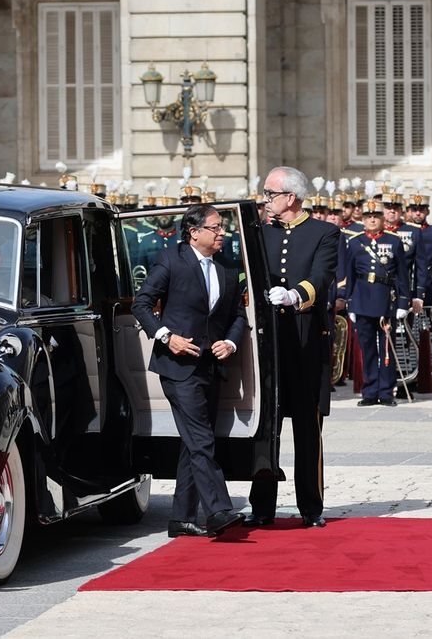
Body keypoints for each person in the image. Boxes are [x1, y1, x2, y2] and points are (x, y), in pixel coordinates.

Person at [132, 204, 248, 539]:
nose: (221, 233)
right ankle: (218, 510)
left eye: (222, 228)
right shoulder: (171, 259)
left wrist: (231, 343)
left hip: (210, 367)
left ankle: (181, 518)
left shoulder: (228, 267)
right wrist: (167, 337)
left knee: (192, 441)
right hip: (178, 367)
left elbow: (237, 316)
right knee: (201, 439)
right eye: (215, 227)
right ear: (194, 232)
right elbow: (141, 303)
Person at [246, 166, 340, 529]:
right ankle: (262, 506)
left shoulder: (324, 233)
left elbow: (321, 276)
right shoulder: (259, 233)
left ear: (291, 197)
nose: (265, 200)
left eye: (270, 194)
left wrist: (294, 294)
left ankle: (311, 507)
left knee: (306, 429)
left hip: (304, 343)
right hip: (270, 347)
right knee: (265, 429)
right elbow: (245, 272)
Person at [337, 199, 410, 406]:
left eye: (375, 216)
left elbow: (403, 275)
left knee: (386, 349)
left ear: (382, 218)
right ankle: (369, 391)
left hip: (386, 300)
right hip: (361, 299)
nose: (371, 220)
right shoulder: (355, 242)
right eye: (368, 217)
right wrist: (350, 301)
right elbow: (349, 274)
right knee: (367, 349)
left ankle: (386, 392)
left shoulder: (394, 241)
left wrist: (403, 303)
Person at [410, 193, 432, 394]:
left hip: (429, 290)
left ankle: (427, 372)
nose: (417, 213)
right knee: (406, 335)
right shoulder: (404, 232)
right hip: (409, 290)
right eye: (414, 209)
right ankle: (410, 373)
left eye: (421, 209)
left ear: (427, 211)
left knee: (429, 332)